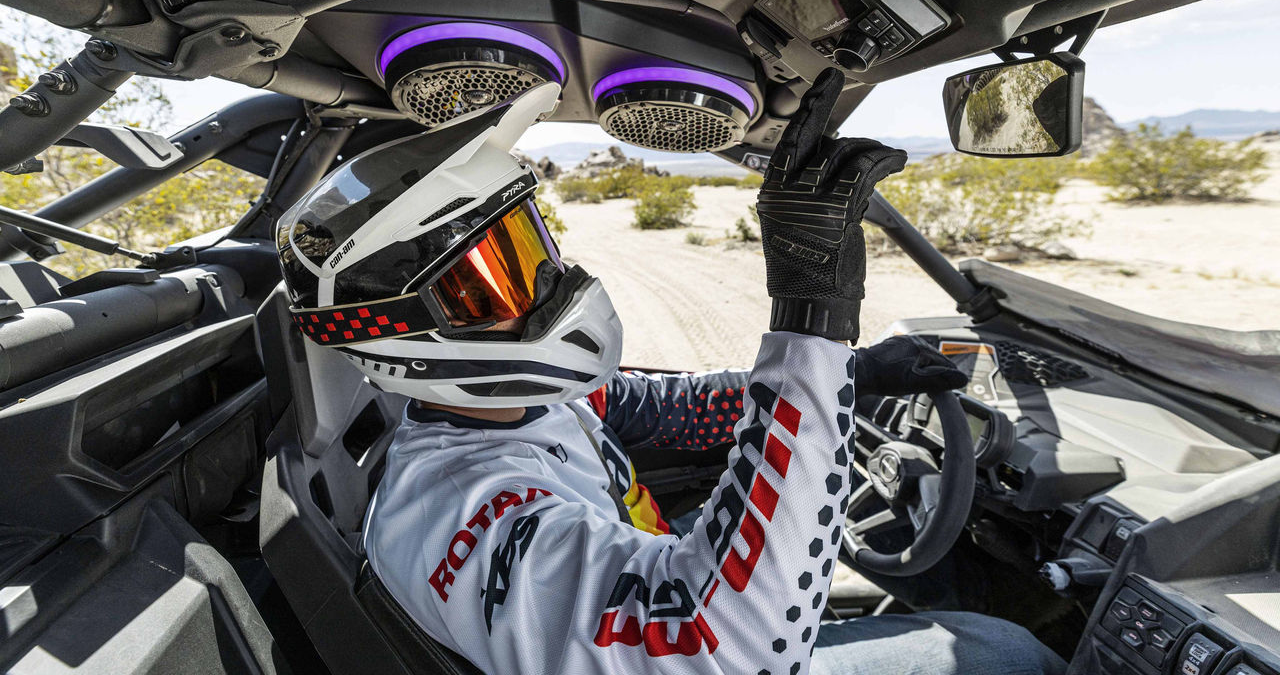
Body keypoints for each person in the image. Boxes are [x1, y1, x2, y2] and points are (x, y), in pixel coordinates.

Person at [275, 70, 1066, 675]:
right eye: (497, 279)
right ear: (407, 333)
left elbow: (665, 409)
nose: (550, 282)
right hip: (711, 642)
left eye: (529, 245)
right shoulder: (462, 517)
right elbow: (727, 647)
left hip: (651, 563)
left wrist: (855, 374)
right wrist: (813, 319)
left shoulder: (517, 404)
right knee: (1005, 652)